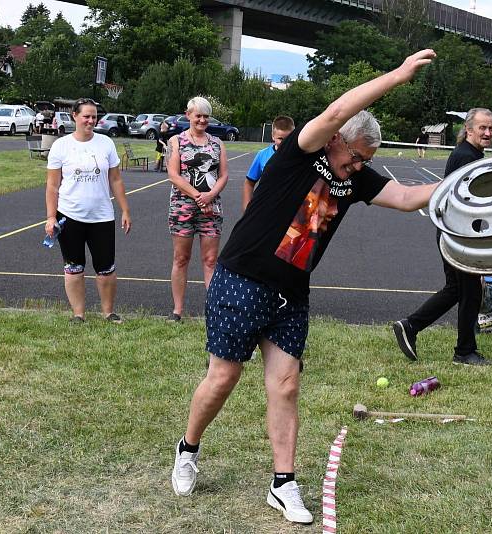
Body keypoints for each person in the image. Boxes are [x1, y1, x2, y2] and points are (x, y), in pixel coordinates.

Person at [171, 49, 438, 525]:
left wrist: (460, 184)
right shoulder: (303, 150)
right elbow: (337, 110)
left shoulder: (354, 177)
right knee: (223, 377)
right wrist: (398, 75)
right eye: (356, 157)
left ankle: (283, 483)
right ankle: (188, 448)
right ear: (337, 140)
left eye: (365, 162)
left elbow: (403, 197)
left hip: (292, 292)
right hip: (242, 279)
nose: (358, 167)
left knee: (287, 383)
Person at [392, 108, 492, 366]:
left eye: (491, 128)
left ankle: (411, 326)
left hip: (457, 232)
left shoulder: (471, 154)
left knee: (457, 289)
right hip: (458, 234)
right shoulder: (465, 157)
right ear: (469, 129)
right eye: (482, 128)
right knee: (470, 292)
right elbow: (465, 200)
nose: (487, 133)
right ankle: (464, 352)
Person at [44, 98, 132, 323]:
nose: (91, 121)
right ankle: (78, 314)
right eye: (86, 116)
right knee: (74, 268)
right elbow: (53, 186)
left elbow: (116, 179)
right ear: (75, 116)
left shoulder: (105, 144)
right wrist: (51, 217)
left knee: (106, 269)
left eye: (94, 117)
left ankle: (108, 312)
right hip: (70, 215)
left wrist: (125, 210)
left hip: (101, 216)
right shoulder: (61, 145)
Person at [166, 96, 229, 322]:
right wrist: (197, 196)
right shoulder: (176, 142)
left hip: (211, 209)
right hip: (183, 207)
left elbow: (224, 175)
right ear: (188, 115)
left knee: (211, 259)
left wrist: (210, 196)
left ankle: (213, 310)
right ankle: (177, 310)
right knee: (181, 258)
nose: (202, 120)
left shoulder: (217, 143)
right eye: (198, 115)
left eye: (205, 116)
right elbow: (173, 175)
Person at [242, 115, 295, 211]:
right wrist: (246, 207)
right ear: (273, 136)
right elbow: (249, 182)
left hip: (290, 209)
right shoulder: (262, 155)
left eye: (289, 138)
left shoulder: (299, 156)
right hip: (266, 207)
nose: (285, 143)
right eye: (280, 139)